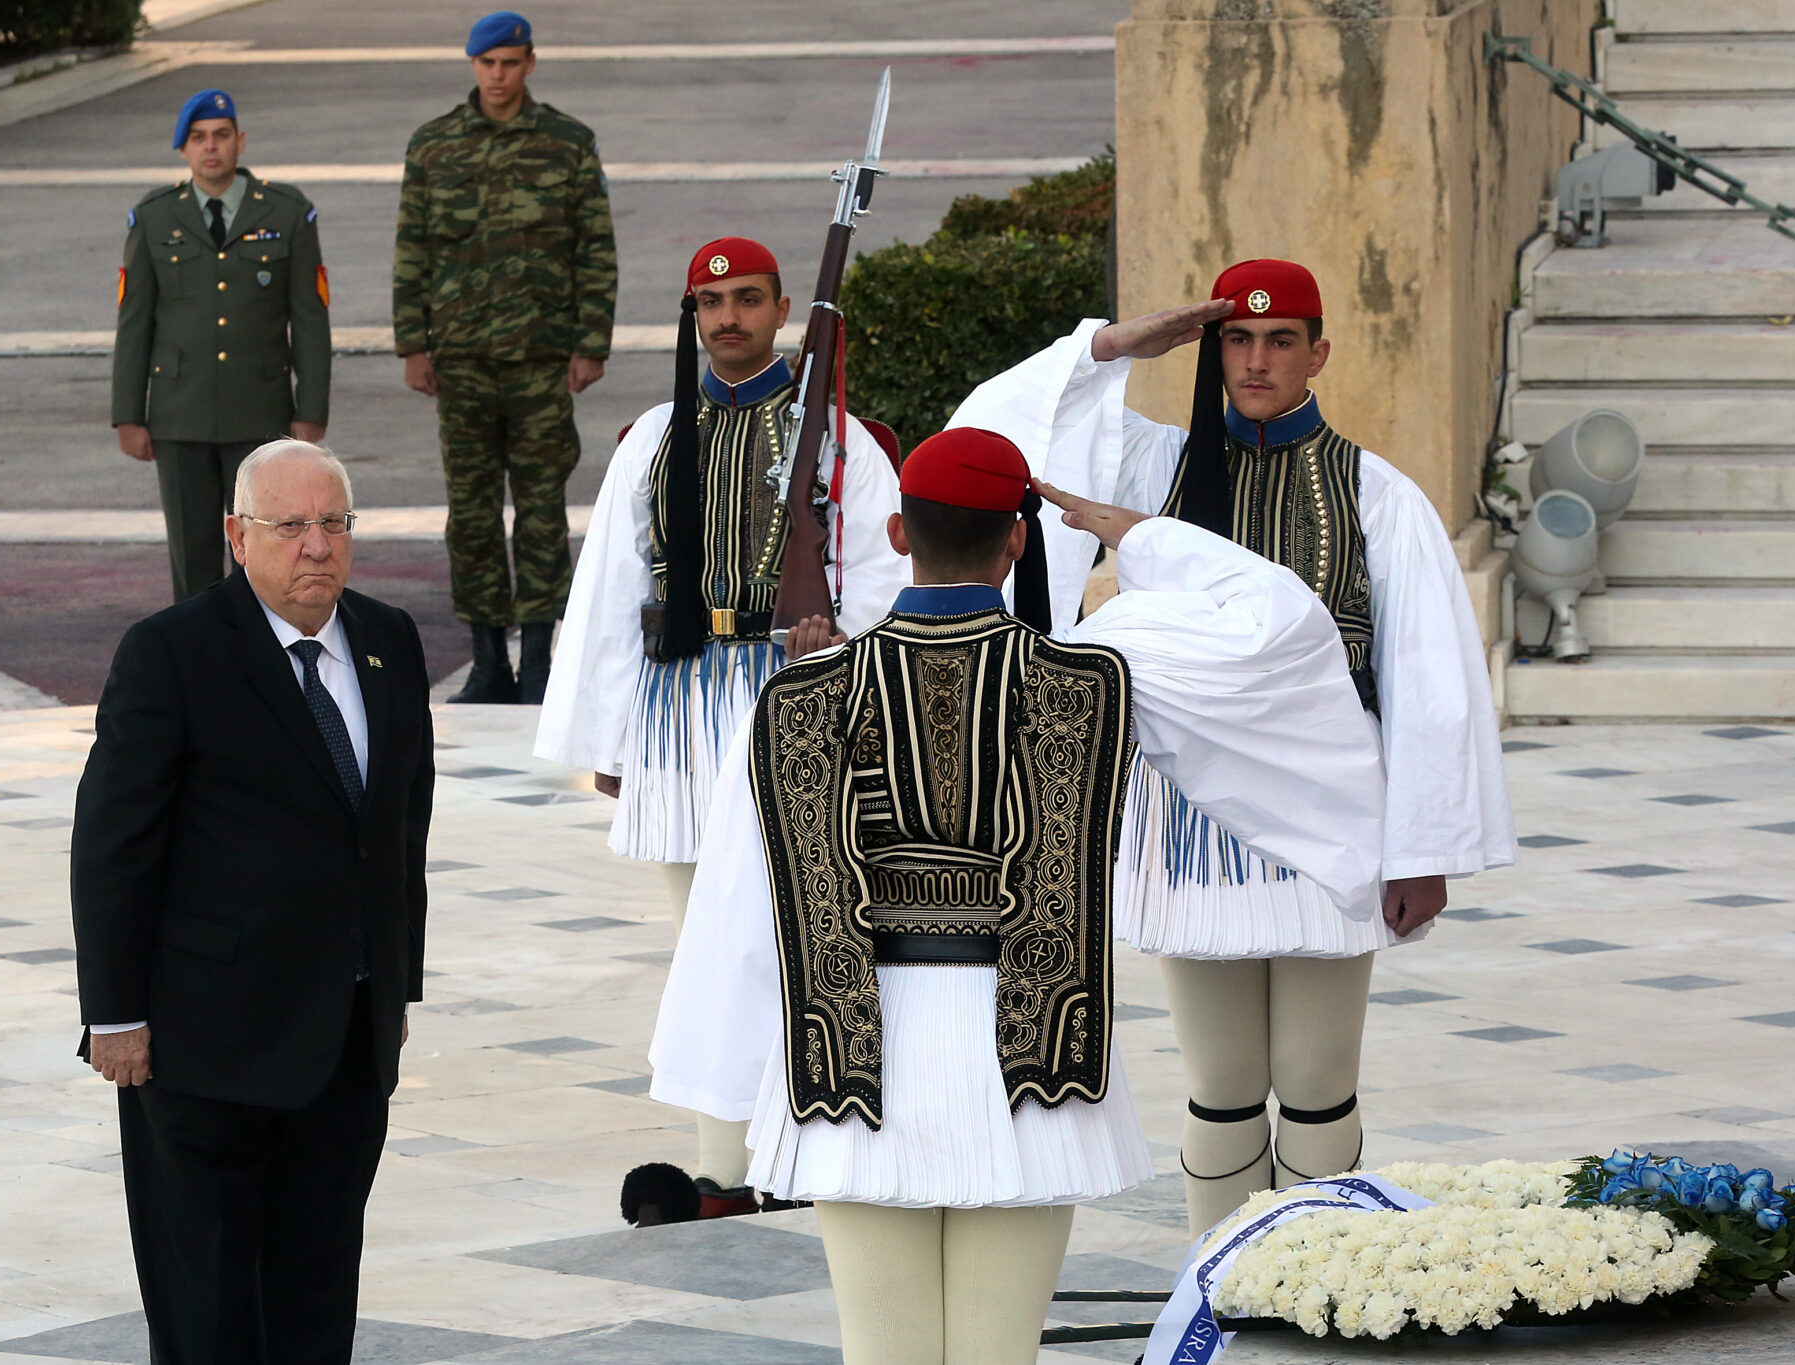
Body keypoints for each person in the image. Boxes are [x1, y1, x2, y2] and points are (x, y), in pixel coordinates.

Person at [649, 427, 1388, 1364]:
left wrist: (735, 1086)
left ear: (896, 531)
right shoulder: (1099, 678)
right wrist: (1144, 535)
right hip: (1036, 1053)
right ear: (1018, 542)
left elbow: (742, 920)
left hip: (850, 1060)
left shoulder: (799, 695)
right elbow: (1281, 619)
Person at [948, 258, 1516, 1237]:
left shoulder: (1371, 492)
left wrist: (1423, 850)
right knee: (1219, 1083)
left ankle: (1321, 1277)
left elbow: (1429, 681)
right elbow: (989, 442)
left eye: (1279, 339)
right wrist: (1113, 345)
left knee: (1314, 1081)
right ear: (1212, 349)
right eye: (1236, 340)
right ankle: (1221, 1285)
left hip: (1330, 819)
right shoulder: (1147, 466)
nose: (1255, 361)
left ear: (1317, 353)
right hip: (1191, 814)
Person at [537, 235, 905, 1216]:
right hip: (677, 702)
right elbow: (614, 585)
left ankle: (805, 1142)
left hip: (791, 699)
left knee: (796, 933)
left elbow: (878, 569)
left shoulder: (841, 441)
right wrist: (610, 739)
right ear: (692, 317)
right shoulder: (655, 436)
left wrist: (840, 641)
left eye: (747, 299)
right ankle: (723, 1166)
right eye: (710, 303)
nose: (728, 317)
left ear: (782, 308)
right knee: (701, 938)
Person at [71, 440, 435, 1365]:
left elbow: (401, 832)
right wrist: (115, 1014)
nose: (317, 546)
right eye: (290, 526)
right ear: (237, 536)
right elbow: (113, 847)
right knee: (209, 1311)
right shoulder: (171, 653)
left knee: (317, 1296)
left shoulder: (389, 639)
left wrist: (395, 989)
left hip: (345, 1042)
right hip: (203, 1050)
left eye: (334, 523)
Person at [393, 10, 618, 704]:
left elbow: (595, 248)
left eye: (510, 63)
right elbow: (413, 249)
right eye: (487, 64)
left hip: (540, 361)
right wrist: (412, 343)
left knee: (543, 509)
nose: (498, 76)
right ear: (472, 66)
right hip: (459, 359)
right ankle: (488, 660)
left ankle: (541, 660)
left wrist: (590, 344)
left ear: (529, 64)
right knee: (470, 512)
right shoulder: (433, 147)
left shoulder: (566, 144)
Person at [113, 88, 332, 603]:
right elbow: (134, 320)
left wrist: (312, 408)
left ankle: (257, 658)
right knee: (192, 559)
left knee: (263, 553)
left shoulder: (286, 212)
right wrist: (128, 413)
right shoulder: (153, 217)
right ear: (184, 150)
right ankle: (197, 666)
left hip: (260, 413)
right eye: (198, 139)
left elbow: (310, 317)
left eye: (221, 136)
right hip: (178, 415)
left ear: (240, 142)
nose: (211, 147)